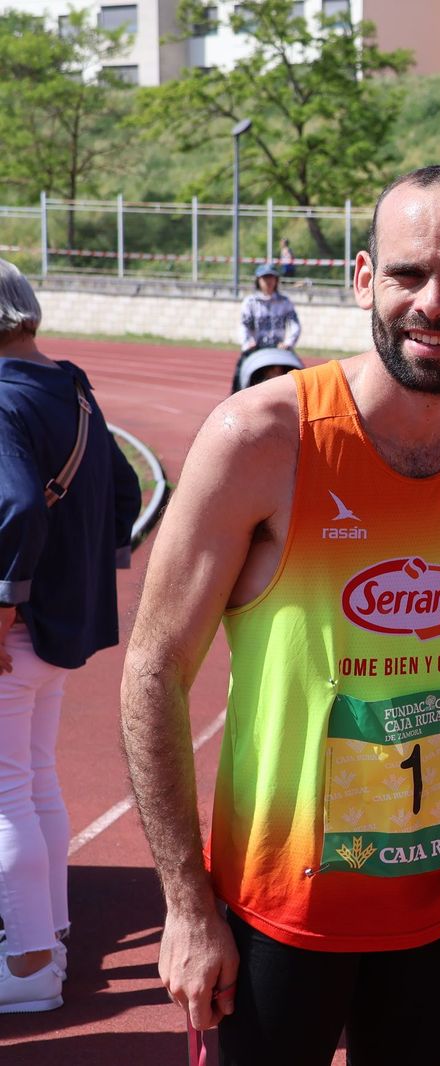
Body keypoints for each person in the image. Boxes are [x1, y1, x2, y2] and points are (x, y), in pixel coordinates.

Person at [118, 165, 440, 1065]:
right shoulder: (263, 439)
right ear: (365, 278)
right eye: (410, 273)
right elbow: (152, 670)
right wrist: (185, 905)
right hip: (280, 907)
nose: (434, 303)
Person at [0, 258, 139, 1013]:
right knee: (35, 780)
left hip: (15, 630)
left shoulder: (1, 397)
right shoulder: (71, 386)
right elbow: (126, 488)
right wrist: (87, 572)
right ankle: (49, 935)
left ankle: (26, 969)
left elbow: (18, 505)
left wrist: (4, 606)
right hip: (56, 625)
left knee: (4, 796)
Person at [234, 262, 300, 393]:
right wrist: (247, 343)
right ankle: (237, 396)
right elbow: (244, 326)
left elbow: (295, 325)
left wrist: (288, 343)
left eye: (271, 277)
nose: (268, 281)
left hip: (279, 347)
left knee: (299, 371)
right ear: (258, 280)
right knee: (240, 370)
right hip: (256, 347)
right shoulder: (250, 302)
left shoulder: (285, 302)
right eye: (265, 278)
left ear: (276, 280)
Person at [232, 347, 304, 393]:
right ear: (265, 371)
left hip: (282, 348)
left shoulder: (286, 382)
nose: (277, 371)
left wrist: (288, 342)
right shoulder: (258, 386)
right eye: (273, 369)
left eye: (279, 369)